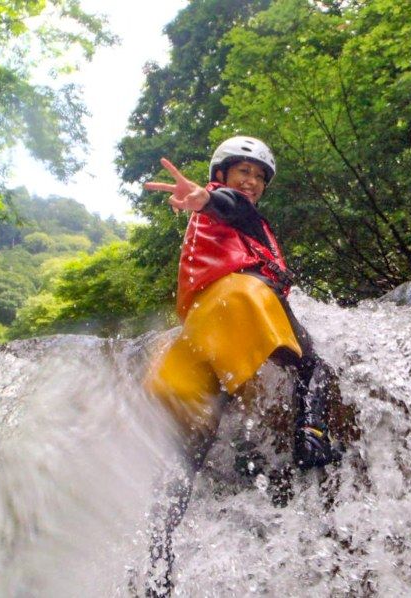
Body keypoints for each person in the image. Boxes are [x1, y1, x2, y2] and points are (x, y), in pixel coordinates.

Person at [141, 136, 342, 595]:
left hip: (202, 327)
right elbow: (231, 206)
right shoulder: (228, 206)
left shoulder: (224, 217)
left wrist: (206, 199)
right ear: (223, 175)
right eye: (242, 173)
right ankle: (311, 441)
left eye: (257, 176)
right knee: (315, 368)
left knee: (190, 448)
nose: (249, 182)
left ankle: (158, 560)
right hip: (242, 299)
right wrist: (207, 197)